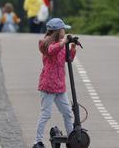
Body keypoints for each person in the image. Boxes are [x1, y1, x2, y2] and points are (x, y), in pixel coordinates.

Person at [33, 18, 75, 148]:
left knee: (68, 113)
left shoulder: (61, 45)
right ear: (58, 31)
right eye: (63, 29)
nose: (64, 32)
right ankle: (37, 142)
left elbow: (68, 59)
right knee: (46, 113)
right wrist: (63, 42)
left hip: (60, 86)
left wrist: (72, 47)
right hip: (48, 85)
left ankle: (72, 139)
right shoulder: (45, 44)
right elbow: (52, 50)